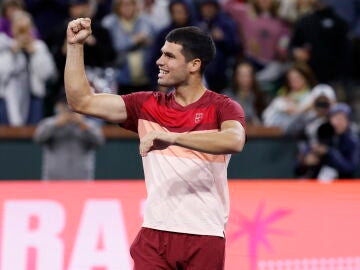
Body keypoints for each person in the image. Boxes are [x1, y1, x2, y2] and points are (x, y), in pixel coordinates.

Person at [65, 18, 246, 269]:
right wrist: (75, 46)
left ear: (194, 65)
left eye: (170, 56)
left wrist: (173, 137)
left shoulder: (222, 107)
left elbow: (235, 140)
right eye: (161, 53)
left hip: (204, 233)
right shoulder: (146, 105)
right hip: (154, 234)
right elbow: (81, 102)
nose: (160, 61)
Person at [33, 97, 104, 180]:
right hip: (54, 180)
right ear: (58, 106)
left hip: (82, 180)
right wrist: (56, 124)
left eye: (73, 108)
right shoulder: (48, 123)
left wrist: (82, 124)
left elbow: (99, 142)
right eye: (66, 107)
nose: (69, 111)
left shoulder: (89, 125)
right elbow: (38, 139)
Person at [295, 103, 360, 181]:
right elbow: (297, 169)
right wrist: (305, 162)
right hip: (316, 184)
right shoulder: (320, 134)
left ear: (348, 121)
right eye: (335, 118)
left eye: (342, 119)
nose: (338, 123)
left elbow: (350, 168)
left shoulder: (352, 141)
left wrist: (328, 152)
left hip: (342, 185)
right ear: (329, 120)